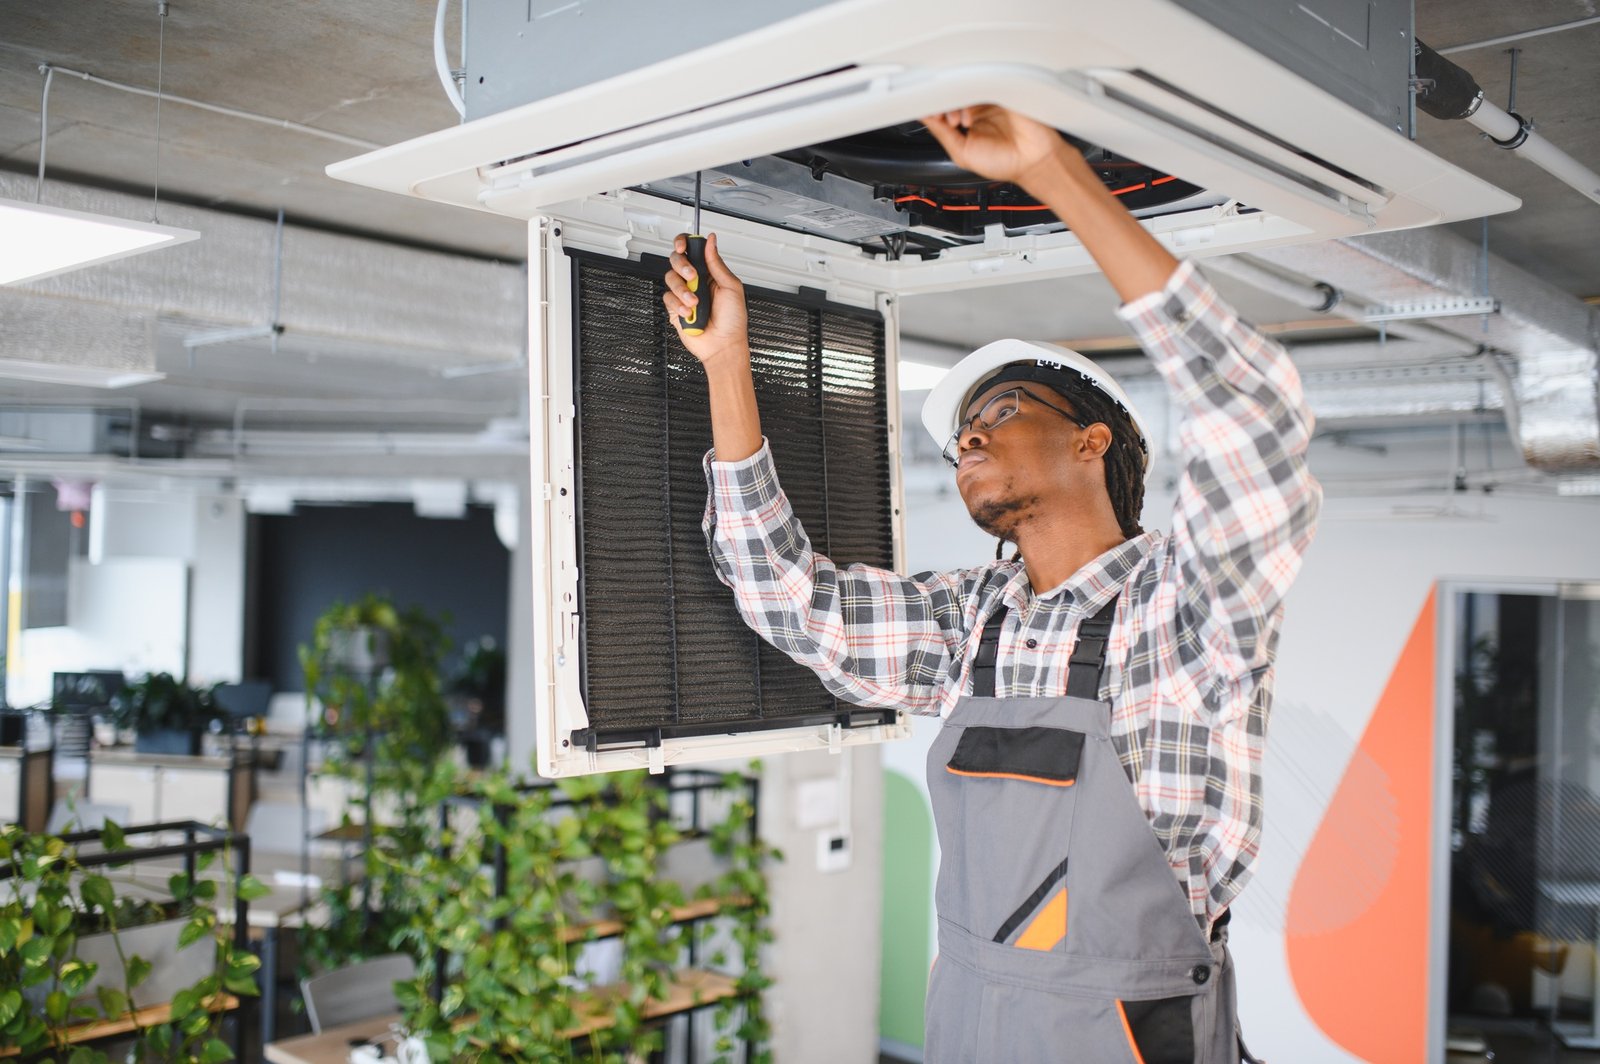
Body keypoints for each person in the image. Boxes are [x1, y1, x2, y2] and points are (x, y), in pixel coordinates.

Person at [661, 105, 1321, 1063]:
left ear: (1092, 441)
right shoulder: (974, 623)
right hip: (969, 1028)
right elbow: (785, 596)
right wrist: (727, 362)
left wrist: (1052, 171)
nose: (967, 435)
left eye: (1000, 409)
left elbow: (1254, 423)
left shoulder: (1181, 612)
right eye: (961, 431)